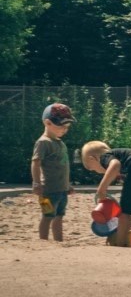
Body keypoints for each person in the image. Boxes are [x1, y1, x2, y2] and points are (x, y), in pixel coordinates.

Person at [81, 141, 131, 248]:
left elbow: (115, 165)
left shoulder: (105, 156)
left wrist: (101, 189)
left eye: (92, 168)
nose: (96, 172)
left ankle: (120, 244)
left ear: (93, 159)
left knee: (124, 212)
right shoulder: (119, 154)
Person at [31, 103, 76, 241]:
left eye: (67, 127)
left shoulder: (60, 143)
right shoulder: (43, 142)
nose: (64, 129)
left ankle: (58, 242)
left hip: (61, 190)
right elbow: (36, 162)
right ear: (48, 123)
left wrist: (67, 184)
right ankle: (43, 242)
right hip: (47, 190)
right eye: (61, 126)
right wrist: (37, 183)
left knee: (59, 216)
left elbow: (64, 167)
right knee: (47, 216)